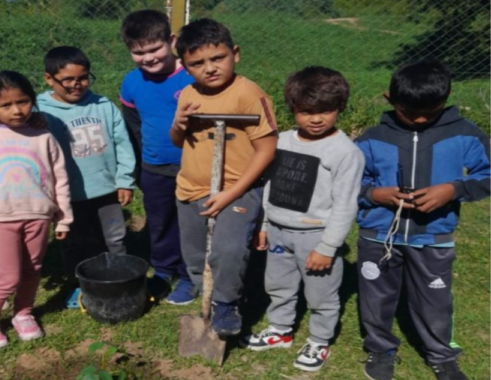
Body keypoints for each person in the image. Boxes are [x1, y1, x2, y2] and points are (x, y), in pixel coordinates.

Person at [355, 61, 491, 380]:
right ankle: (380, 349)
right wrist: (376, 195)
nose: (419, 119)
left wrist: (454, 189)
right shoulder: (371, 139)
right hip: (378, 237)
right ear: (389, 99)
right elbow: (349, 182)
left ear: (447, 97)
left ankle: (442, 356)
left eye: (430, 112)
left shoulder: (466, 135)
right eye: (409, 112)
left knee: (435, 301)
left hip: (434, 238)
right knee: (376, 297)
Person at [241, 67, 364, 372]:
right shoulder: (280, 141)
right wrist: (265, 225)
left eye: (326, 110)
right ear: (293, 109)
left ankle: (319, 341)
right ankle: (280, 331)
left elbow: (345, 205)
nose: (317, 118)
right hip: (280, 232)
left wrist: (328, 247)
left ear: (340, 109)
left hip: (316, 236)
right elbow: (270, 186)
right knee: (278, 284)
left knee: (321, 294)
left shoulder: (345, 153)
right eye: (307, 111)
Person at [170, 18, 278, 336]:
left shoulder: (250, 95)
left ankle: (226, 304)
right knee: (194, 253)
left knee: (228, 249)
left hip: (237, 189)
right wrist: (178, 123)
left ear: (235, 54)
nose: (210, 68)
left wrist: (232, 193)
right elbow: (180, 141)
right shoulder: (188, 94)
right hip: (190, 188)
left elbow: (267, 149)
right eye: (197, 63)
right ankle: (204, 290)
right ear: (185, 67)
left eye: (217, 58)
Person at [0, 71, 73, 349]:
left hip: (39, 216)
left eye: (23, 101)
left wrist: (64, 218)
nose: (17, 110)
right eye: (5, 105)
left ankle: (23, 313)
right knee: (7, 277)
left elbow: (60, 178)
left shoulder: (43, 135)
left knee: (33, 270)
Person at [37, 46, 136, 298]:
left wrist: (124, 180)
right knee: (73, 243)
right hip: (66, 195)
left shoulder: (103, 105)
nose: (77, 85)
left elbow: (122, 143)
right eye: (68, 80)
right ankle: (77, 284)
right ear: (49, 78)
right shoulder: (39, 111)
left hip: (107, 189)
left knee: (115, 237)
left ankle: (121, 276)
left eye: (83, 77)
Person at [119, 9, 197, 304]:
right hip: (155, 167)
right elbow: (133, 125)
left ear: (172, 40)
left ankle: (191, 276)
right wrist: (140, 166)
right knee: (160, 220)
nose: (148, 57)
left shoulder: (192, 74)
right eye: (139, 53)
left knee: (192, 223)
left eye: (155, 49)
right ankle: (164, 270)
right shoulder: (131, 82)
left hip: (194, 167)